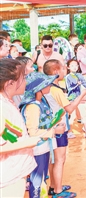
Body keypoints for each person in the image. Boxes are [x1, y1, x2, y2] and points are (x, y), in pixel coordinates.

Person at [43, 59, 86, 197]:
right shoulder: (57, 90)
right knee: (60, 159)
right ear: (56, 71)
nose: (65, 70)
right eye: (63, 68)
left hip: (51, 127)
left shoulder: (47, 87)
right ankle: (58, 191)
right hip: (59, 127)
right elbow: (69, 109)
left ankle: (54, 185)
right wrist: (82, 94)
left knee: (53, 159)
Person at [19, 72, 63, 198]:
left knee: (42, 179)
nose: (50, 85)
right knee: (37, 181)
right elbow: (33, 132)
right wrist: (54, 131)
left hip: (44, 147)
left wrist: (54, 125)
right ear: (39, 88)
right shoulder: (33, 107)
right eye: (47, 83)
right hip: (38, 149)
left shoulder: (41, 102)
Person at [0, 59, 38, 198]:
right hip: (9, 175)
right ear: (10, 83)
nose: (26, 82)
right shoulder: (2, 106)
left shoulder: (7, 101)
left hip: (16, 170)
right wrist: (30, 142)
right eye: (23, 78)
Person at [65, 59, 86, 138]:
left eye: (76, 65)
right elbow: (69, 89)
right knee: (72, 116)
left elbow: (85, 85)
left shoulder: (79, 75)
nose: (74, 67)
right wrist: (77, 84)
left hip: (79, 97)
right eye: (72, 65)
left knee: (84, 114)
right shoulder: (67, 77)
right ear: (68, 67)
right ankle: (69, 131)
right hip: (72, 98)